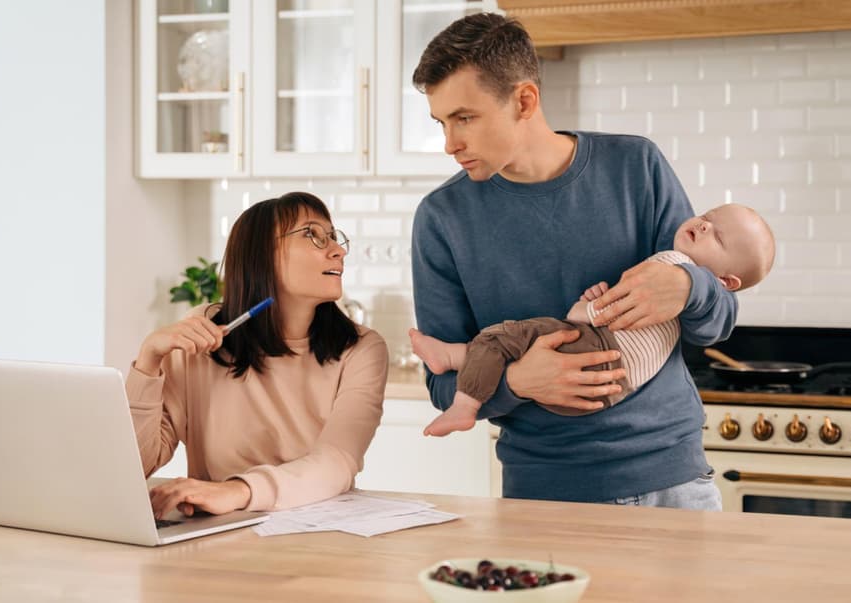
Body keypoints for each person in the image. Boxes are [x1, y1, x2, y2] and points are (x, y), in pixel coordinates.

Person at [410, 13, 738, 510]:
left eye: (465, 118)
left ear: (524, 100)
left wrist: (689, 287)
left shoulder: (636, 168)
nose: (450, 143)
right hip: (547, 496)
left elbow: (719, 322)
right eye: (442, 122)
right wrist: (518, 382)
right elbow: (443, 380)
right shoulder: (441, 218)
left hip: (676, 483)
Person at [127, 192, 388, 519]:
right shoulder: (203, 332)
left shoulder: (362, 348)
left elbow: (337, 462)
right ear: (262, 255)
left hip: (317, 531)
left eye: (332, 237)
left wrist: (237, 491)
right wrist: (149, 360)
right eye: (313, 236)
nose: (338, 250)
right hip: (214, 532)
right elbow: (137, 465)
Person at [411, 203, 775, 437]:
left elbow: (598, 315)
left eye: (720, 236)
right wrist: (520, 381)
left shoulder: (671, 261)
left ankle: (462, 388)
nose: (705, 225)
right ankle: (457, 357)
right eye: (708, 217)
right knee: (514, 351)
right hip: (607, 392)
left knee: (506, 338)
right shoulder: (442, 216)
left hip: (593, 358)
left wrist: (585, 311)